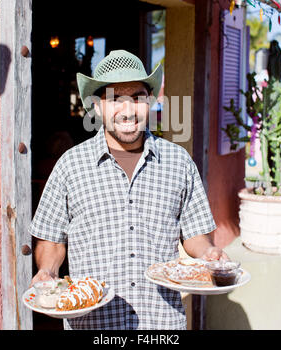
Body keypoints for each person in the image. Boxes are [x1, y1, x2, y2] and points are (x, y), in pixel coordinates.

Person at [29, 49, 228, 330]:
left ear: (149, 102)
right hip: (94, 324)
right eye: (114, 99)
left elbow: (195, 234)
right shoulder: (70, 166)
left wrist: (209, 253)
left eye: (137, 97)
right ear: (97, 107)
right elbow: (52, 239)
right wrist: (47, 271)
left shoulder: (179, 162)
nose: (128, 110)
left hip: (161, 324)